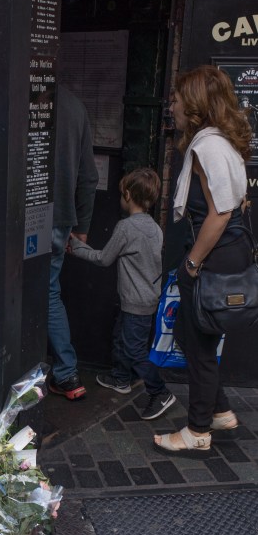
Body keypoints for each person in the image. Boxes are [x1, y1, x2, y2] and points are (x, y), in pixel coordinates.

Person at [154, 65, 250, 455]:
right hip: (229, 253)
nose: (171, 105)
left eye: (176, 99)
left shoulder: (207, 147)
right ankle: (221, 411)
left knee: (197, 344)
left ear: (192, 103)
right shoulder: (222, 143)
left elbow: (222, 211)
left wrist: (191, 264)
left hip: (213, 257)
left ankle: (196, 431)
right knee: (201, 339)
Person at [70, 168, 176, 421]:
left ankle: (160, 392)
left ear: (127, 195)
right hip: (148, 297)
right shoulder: (155, 228)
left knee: (135, 351)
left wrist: (76, 247)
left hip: (135, 302)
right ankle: (120, 379)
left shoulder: (126, 227)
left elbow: (104, 259)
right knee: (121, 334)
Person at [48, 85, 99, 400]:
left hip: (15, 217)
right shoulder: (74, 106)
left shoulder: (11, 92)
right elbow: (89, 175)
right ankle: (66, 373)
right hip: (59, 217)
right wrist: (81, 226)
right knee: (49, 293)